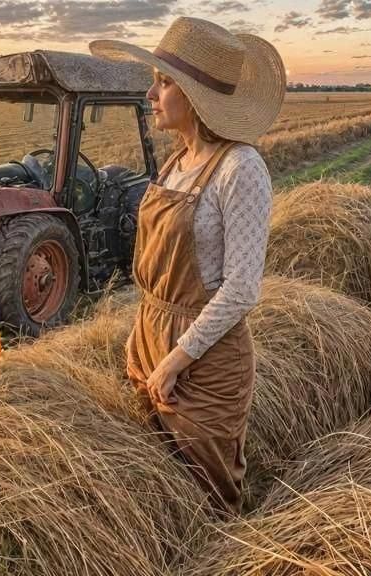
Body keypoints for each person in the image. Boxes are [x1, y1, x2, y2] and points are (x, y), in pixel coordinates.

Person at [89, 16, 285, 514]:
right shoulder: (175, 162)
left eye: (164, 81)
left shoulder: (241, 169)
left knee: (211, 498)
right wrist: (142, 337)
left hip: (205, 357)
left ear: (197, 96)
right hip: (152, 336)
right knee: (163, 491)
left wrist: (176, 359)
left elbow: (241, 289)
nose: (151, 93)